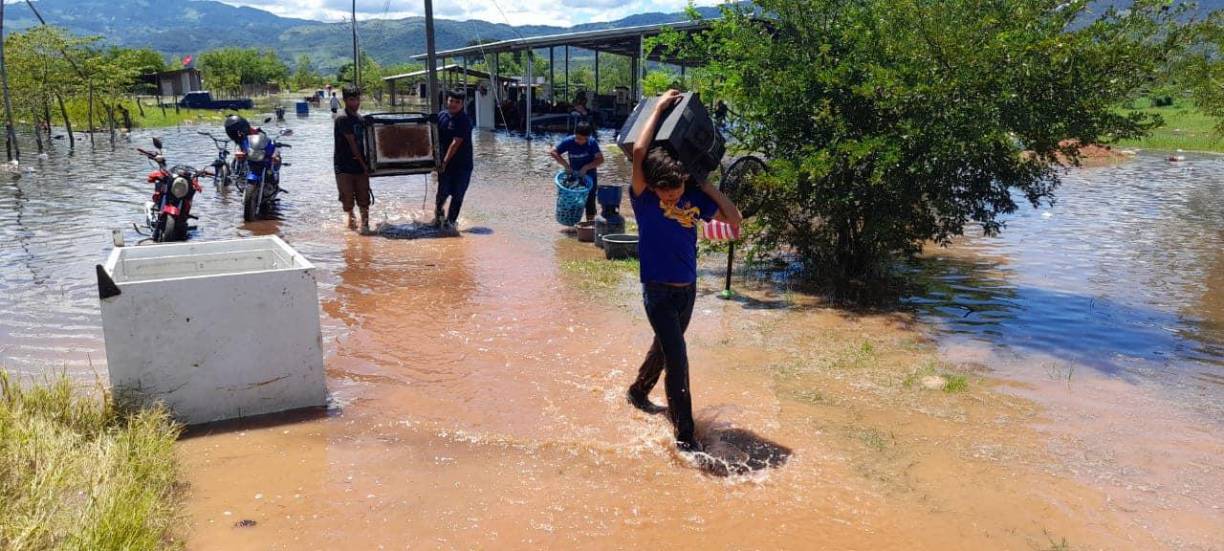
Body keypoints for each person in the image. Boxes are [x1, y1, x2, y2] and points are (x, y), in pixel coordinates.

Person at [625, 90, 743, 453]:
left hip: (687, 291)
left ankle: (637, 392)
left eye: (676, 188)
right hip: (657, 293)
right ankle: (685, 435)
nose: (672, 195)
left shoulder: (694, 198)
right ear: (653, 185)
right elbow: (641, 154)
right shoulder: (644, 199)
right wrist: (659, 108)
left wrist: (702, 181)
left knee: (665, 348)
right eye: (666, 189)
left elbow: (734, 218)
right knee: (678, 359)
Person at [434, 90, 474, 230]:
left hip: (463, 166)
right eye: (451, 101)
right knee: (442, 194)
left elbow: (455, 143)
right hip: (445, 165)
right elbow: (432, 136)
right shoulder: (441, 116)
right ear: (447, 101)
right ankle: (438, 219)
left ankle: (450, 224)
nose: (453, 104)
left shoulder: (464, 120)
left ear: (462, 104)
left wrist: (444, 162)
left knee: (457, 196)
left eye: (457, 102)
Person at [549, 122, 604, 222]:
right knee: (571, 200)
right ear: (575, 134)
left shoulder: (592, 143)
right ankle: (571, 223)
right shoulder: (569, 141)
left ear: (588, 137)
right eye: (577, 138)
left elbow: (600, 160)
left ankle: (590, 224)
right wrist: (566, 165)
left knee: (590, 201)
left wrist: (586, 167)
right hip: (574, 176)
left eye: (582, 139)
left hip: (590, 177)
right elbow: (553, 152)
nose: (579, 141)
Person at [333, 85, 371, 232]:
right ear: (345, 100)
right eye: (352, 100)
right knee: (347, 200)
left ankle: (365, 225)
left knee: (364, 198)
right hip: (344, 166)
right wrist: (364, 165)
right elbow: (353, 144)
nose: (355, 103)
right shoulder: (342, 118)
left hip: (360, 166)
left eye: (357, 99)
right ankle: (351, 219)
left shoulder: (360, 119)